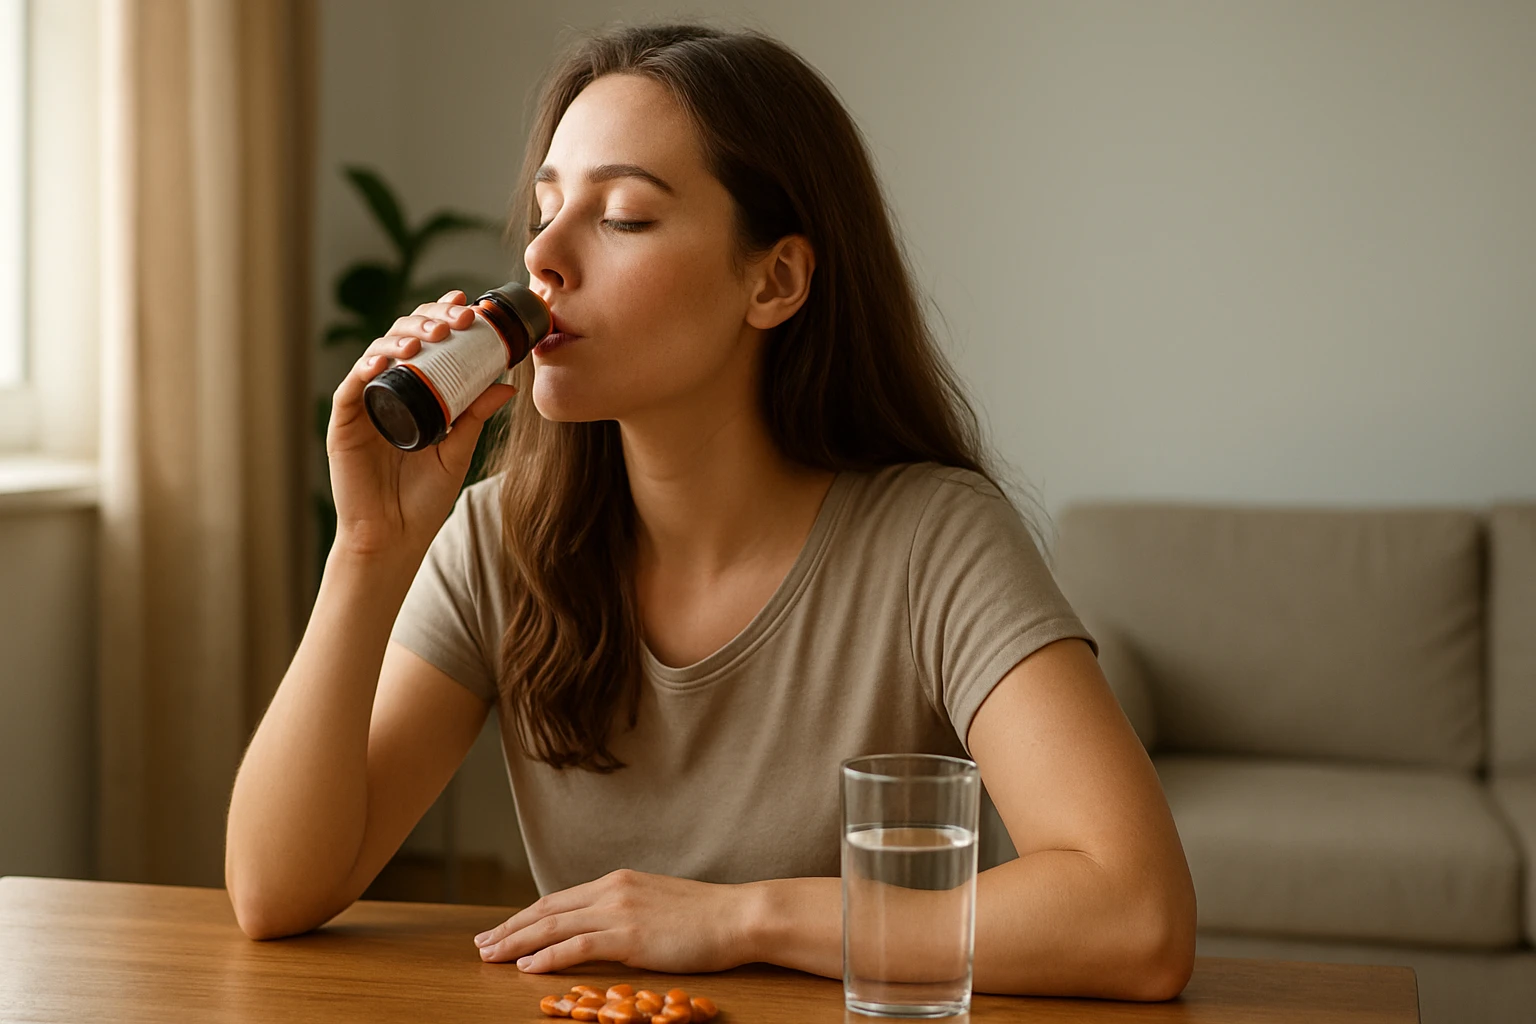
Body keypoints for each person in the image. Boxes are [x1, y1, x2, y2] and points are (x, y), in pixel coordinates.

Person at [225, 22, 1196, 1001]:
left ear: (772, 280)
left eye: (625, 218)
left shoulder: (932, 540)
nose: (542, 258)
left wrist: (739, 915)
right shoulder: (497, 542)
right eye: (546, 208)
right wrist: (368, 547)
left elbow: (1135, 915)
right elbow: (276, 890)